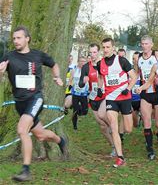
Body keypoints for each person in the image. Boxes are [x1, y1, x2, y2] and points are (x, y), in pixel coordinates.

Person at [0, 26, 67, 182]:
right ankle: (60, 140)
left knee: (22, 130)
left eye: (19, 38)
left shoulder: (37, 55)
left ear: (27, 38)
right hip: (20, 103)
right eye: (14, 38)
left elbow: (53, 64)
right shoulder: (8, 56)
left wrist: (57, 76)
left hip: (35, 99)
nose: (16, 41)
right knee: (41, 135)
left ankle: (26, 170)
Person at [97, 38, 137, 168]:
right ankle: (120, 157)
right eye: (104, 47)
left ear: (113, 48)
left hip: (124, 97)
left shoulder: (121, 60)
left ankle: (134, 117)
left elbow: (134, 76)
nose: (105, 50)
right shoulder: (100, 63)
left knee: (128, 129)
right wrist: (99, 88)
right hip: (111, 97)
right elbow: (100, 77)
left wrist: (128, 89)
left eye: (108, 47)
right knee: (114, 127)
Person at [79, 44, 115, 156]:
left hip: (105, 96)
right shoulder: (86, 67)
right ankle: (114, 146)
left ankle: (114, 129)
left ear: (98, 52)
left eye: (95, 52)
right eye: (91, 52)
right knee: (102, 126)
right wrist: (83, 81)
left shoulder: (104, 64)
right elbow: (80, 84)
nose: (93, 55)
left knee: (101, 115)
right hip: (93, 98)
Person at [135, 35, 158, 160]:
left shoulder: (157, 55)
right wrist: (130, 86)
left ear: (151, 45)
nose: (144, 46)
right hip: (145, 93)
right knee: (146, 121)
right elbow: (136, 73)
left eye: (146, 44)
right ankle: (150, 149)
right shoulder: (138, 58)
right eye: (142, 44)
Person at [68, 56, 89, 130]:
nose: (82, 63)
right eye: (81, 61)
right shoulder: (74, 70)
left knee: (85, 111)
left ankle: (79, 109)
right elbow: (70, 80)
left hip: (84, 94)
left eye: (84, 61)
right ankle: (74, 126)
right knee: (75, 111)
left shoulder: (88, 71)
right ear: (78, 62)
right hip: (75, 94)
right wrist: (70, 86)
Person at [131, 52, 142, 128]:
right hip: (132, 99)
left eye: (137, 58)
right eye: (133, 59)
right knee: (135, 124)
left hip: (142, 100)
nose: (135, 61)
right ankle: (137, 119)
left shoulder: (143, 72)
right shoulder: (129, 72)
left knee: (146, 120)